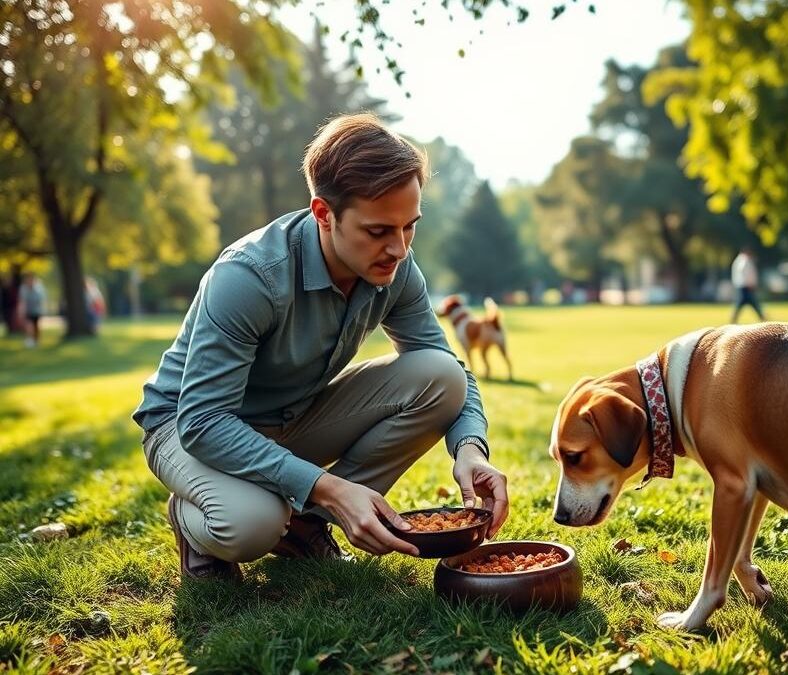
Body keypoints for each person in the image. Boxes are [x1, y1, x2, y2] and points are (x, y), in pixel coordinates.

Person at [133, 113, 509, 581]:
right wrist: (327, 486)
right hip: (189, 426)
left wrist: (470, 450)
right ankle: (197, 520)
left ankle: (306, 525)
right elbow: (204, 422)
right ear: (323, 214)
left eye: (409, 226)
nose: (398, 248)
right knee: (252, 524)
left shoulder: (398, 268)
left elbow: (451, 370)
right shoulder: (249, 277)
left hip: (292, 417)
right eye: (378, 231)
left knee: (441, 375)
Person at [730, 246, 766, 323]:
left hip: (743, 286)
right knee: (752, 303)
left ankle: (733, 319)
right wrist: (750, 283)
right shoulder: (744, 261)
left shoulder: (739, 260)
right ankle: (762, 318)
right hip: (746, 286)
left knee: (746, 304)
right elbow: (746, 274)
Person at [18, 272, 46, 348]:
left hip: (37, 310)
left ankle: (36, 340)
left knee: (36, 326)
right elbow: (22, 301)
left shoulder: (39, 288)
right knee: (29, 326)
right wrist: (21, 311)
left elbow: (42, 300)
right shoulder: (23, 288)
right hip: (28, 310)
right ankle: (29, 340)